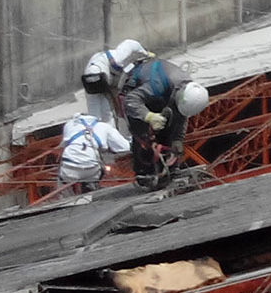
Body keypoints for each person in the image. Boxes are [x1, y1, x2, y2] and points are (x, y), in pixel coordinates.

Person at [121, 57, 211, 188]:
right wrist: (148, 116)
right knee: (144, 136)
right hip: (136, 94)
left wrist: (177, 139)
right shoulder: (156, 84)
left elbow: (180, 115)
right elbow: (131, 100)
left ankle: (169, 170)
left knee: (168, 129)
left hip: (162, 95)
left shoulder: (187, 90)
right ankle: (144, 174)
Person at [57, 112, 132, 194]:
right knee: (99, 169)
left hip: (69, 168)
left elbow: (64, 145)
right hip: (91, 169)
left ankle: (64, 197)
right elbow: (124, 147)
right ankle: (92, 191)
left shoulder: (69, 124)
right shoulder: (104, 126)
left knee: (63, 175)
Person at [81, 39, 151, 123]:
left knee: (100, 111)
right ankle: (102, 129)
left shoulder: (119, 61)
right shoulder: (118, 59)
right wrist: (144, 52)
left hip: (93, 75)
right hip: (97, 74)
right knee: (101, 111)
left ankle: (101, 129)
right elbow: (130, 44)